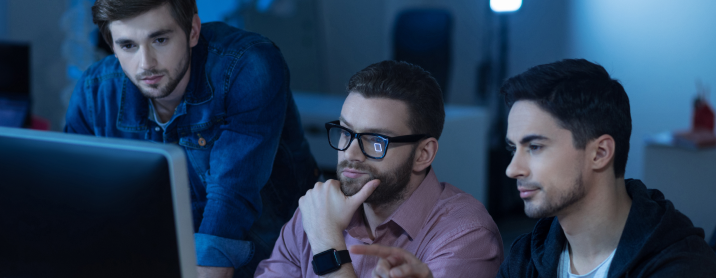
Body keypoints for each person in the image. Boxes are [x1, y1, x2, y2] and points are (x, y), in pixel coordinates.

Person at [353, 59, 716, 277]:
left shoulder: (680, 264)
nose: (513, 169)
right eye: (514, 149)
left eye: (535, 147)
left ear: (600, 152)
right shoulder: (527, 258)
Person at [64, 0, 319, 277]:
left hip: (270, 260)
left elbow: (229, 201)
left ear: (193, 31)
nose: (146, 63)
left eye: (160, 39)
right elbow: (77, 207)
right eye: (128, 46)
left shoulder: (247, 65)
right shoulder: (94, 92)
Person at [254, 60, 503, 278]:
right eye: (345, 132)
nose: (350, 153)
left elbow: (323, 239)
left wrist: (327, 243)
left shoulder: (466, 236)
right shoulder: (316, 211)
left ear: (423, 154)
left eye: (375, 141)